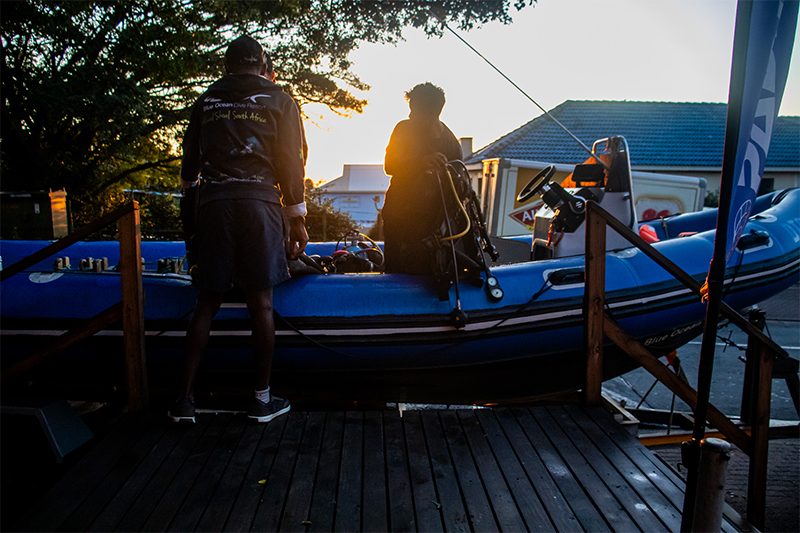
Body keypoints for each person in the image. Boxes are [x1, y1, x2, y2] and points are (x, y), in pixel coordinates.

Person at [168, 35, 309, 423]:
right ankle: (261, 401)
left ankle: (184, 401)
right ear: (262, 63)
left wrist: (193, 209)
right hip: (260, 204)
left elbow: (189, 167)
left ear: (227, 66)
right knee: (260, 303)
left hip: (214, 204)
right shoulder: (281, 101)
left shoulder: (206, 101)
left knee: (206, 303)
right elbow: (291, 162)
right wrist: (296, 217)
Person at [382, 82, 462, 274]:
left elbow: (459, 185)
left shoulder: (451, 143)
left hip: (430, 226)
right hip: (397, 218)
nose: (410, 115)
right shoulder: (403, 129)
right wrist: (422, 162)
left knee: (423, 272)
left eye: (414, 110)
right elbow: (389, 166)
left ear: (432, 111)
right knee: (395, 270)